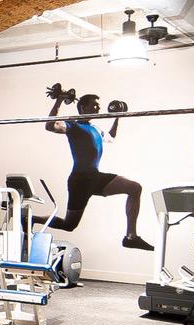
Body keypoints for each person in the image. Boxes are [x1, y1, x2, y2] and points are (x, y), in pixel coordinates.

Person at [42, 85, 152, 250]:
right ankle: (31, 218)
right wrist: (59, 101)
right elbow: (50, 126)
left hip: (95, 177)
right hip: (80, 181)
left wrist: (118, 117)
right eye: (94, 105)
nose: (98, 108)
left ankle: (131, 236)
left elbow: (111, 137)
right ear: (83, 108)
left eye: (98, 106)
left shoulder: (95, 128)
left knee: (135, 188)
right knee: (69, 225)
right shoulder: (73, 126)